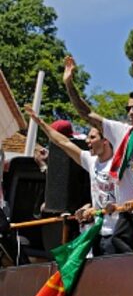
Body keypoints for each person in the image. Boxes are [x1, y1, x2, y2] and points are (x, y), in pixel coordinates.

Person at [64, 56, 133, 252]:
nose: (130, 113)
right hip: (125, 214)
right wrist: (69, 83)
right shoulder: (122, 132)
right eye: (128, 108)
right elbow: (87, 114)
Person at [25, 108, 117, 256]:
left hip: (117, 232)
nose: (87, 141)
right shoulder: (90, 161)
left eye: (92, 137)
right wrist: (41, 122)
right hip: (97, 231)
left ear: (105, 140)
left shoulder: (119, 165)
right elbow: (63, 142)